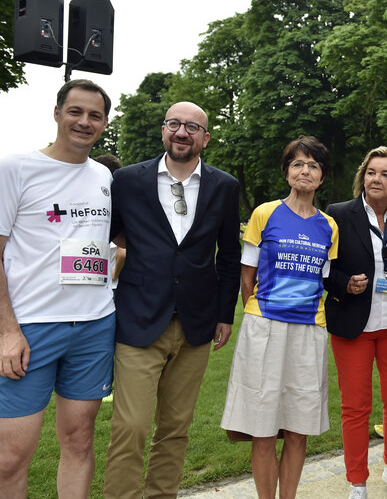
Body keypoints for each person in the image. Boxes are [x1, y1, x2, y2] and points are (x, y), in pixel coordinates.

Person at [103, 102, 241, 498]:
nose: (183, 132)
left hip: (197, 324)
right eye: (175, 124)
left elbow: (229, 256)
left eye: (193, 127)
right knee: (130, 428)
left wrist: (224, 315)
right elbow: (104, 239)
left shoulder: (224, 186)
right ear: (163, 130)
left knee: (175, 429)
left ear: (206, 138)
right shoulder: (128, 181)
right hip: (138, 320)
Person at [0, 79, 114, 498]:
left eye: (95, 115)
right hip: (30, 328)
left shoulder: (103, 175)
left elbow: (103, 245)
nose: (85, 122)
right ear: (57, 113)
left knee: (80, 441)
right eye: (76, 112)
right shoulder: (15, 167)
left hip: (94, 325)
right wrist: (7, 331)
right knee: (10, 456)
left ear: (104, 123)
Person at [221, 136, 338, 499]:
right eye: (298, 164)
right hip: (265, 327)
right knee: (263, 426)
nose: (305, 171)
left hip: (309, 331)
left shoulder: (330, 226)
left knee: (299, 427)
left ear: (321, 177)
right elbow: (246, 276)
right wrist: (260, 314)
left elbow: (325, 280)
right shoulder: (264, 213)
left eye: (313, 165)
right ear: (287, 172)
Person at [325, 147, 387, 499]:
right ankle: (357, 482)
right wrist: (343, 282)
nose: (375, 179)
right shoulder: (338, 214)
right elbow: (322, 266)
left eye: (384, 174)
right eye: (370, 172)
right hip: (354, 326)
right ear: (362, 177)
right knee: (355, 407)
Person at [94, 154, 125, 289]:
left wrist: (115, 274)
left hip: (110, 285)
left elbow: (123, 252)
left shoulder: (111, 208)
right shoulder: (123, 204)